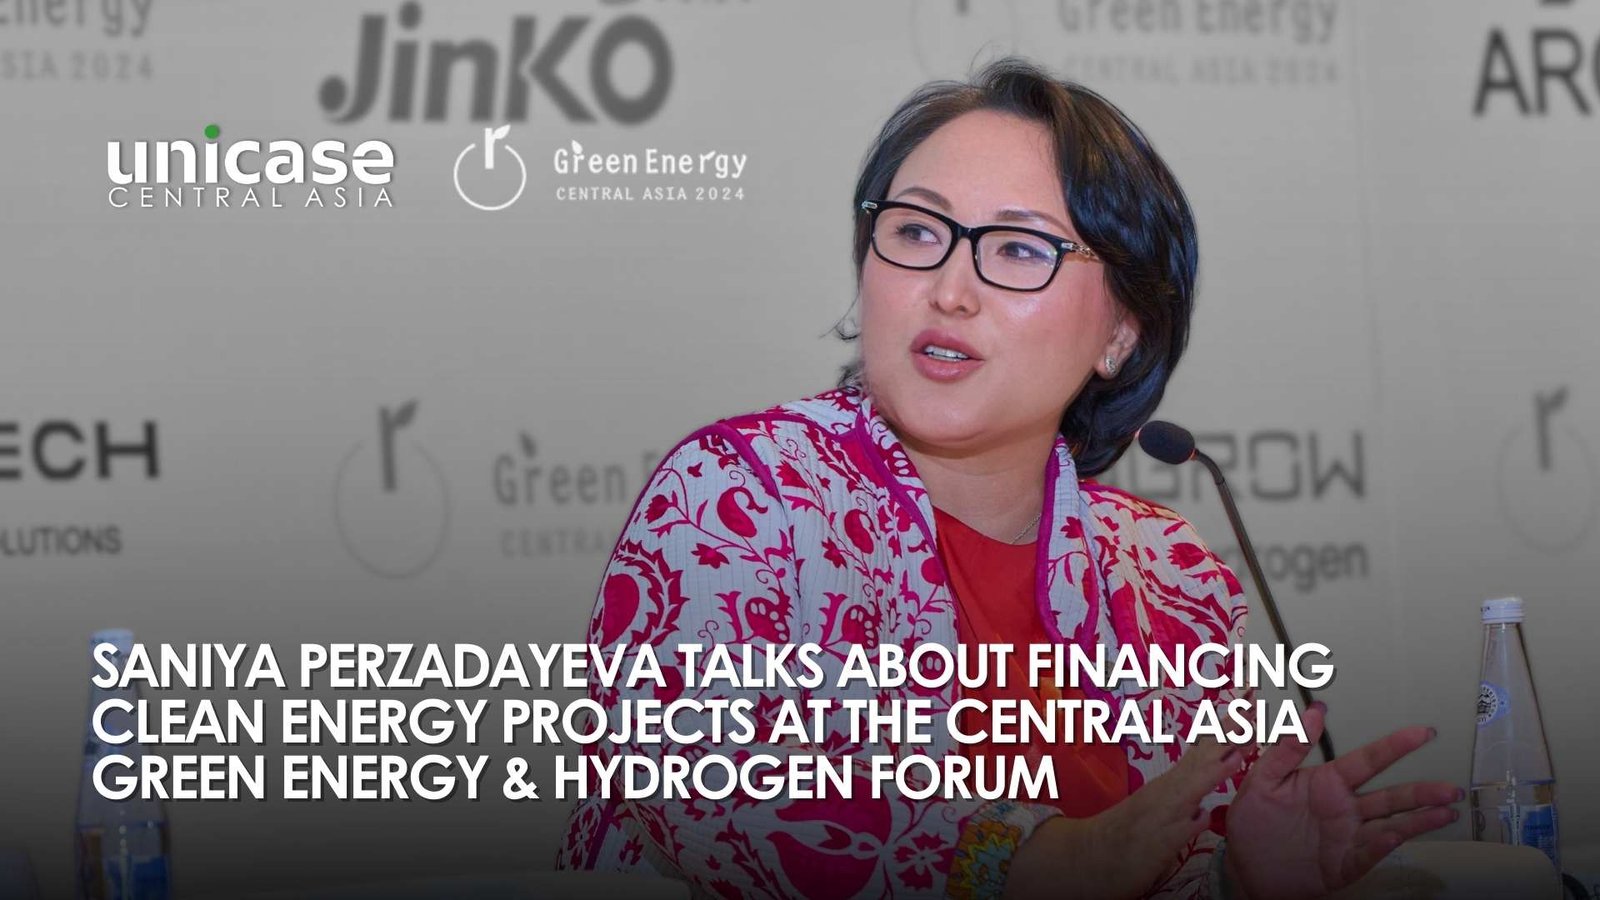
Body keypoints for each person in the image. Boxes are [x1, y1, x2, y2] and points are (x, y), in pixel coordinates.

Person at [556, 58, 1460, 899]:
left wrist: (1240, 880)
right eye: (916, 231)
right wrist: (1043, 861)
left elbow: (1163, 859)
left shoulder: (1172, 577)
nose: (950, 289)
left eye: (1020, 249)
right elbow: (699, 784)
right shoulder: (739, 493)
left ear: (1121, 333)